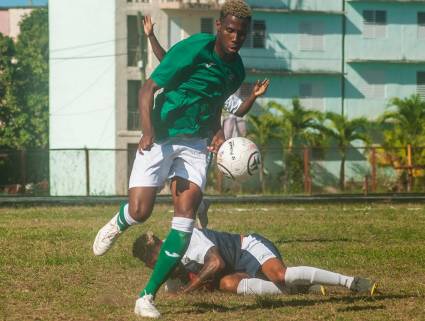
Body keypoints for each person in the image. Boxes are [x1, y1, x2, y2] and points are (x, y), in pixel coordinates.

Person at [93, 0, 253, 318]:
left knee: (184, 219)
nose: (236, 37)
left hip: (194, 145)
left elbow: (214, 105)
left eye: (242, 34)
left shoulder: (236, 72)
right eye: (231, 30)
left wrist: (216, 134)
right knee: (140, 211)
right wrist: (148, 131)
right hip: (161, 135)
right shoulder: (194, 48)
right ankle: (119, 223)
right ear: (219, 26)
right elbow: (148, 88)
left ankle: (146, 296)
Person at [142, 15, 269, 228]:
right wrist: (151, 36)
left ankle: (194, 214)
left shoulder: (223, 90)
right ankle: (200, 207)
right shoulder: (189, 72)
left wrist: (254, 95)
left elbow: (239, 111)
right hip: (176, 130)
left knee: (186, 187)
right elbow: (166, 60)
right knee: (178, 187)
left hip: (206, 135)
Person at [133, 228, 378, 296]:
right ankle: (302, 288)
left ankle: (352, 283)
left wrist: (187, 290)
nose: (156, 267)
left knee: (280, 275)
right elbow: (177, 290)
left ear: (158, 246)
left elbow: (216, 264)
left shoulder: (185, 240)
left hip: (247, 248)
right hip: (235, 269)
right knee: (227, 285)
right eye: (151, 267)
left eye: (154, 261)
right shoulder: (170, 268)